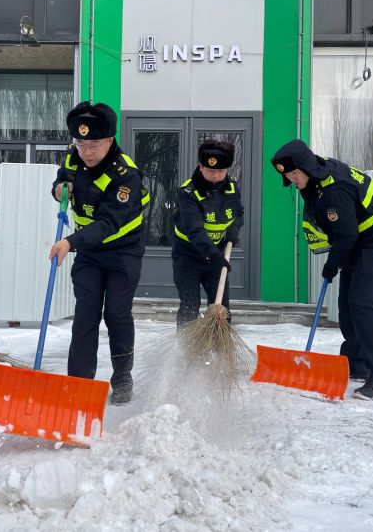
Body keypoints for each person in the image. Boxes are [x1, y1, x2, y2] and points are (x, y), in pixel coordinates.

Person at [271, 139, 373, 400]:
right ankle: (357, 363)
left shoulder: (335, 190)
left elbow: (346, 235)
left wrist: (331, 266)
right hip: (360, 240)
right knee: (346, 303)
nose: (292, 180)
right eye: (288, 176)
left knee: (362, 303)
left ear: (306, 167)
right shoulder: (317, 178)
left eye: (294, 174)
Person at [49, 101, 149, 405]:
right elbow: (63, 177)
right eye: (81, 144)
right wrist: (58, 187)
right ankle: (78, 385)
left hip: (123, 251)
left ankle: (122, 376)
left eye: (94, 145)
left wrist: (70, 242)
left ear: (109, 140)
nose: (86, 152)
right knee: (86, 314)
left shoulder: (126, 175)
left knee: (116, 314)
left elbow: (109, 223)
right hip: (90, 252)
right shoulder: (74, 156)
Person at [172, 141, 244, 327]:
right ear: (201, 166)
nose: (216, 176)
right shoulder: (188, 192)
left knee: (221, 309)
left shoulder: (232, 187)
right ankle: (186, 351)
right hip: (188, 256)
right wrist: (215, 255)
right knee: (190, 305)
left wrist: (233, 230)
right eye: (211, 171)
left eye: (221, 171)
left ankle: (221, 350)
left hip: (216, 256)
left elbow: (238, 213)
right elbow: (194, 230)